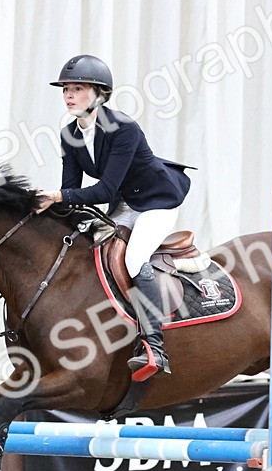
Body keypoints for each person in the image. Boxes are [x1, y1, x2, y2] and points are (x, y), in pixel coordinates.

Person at [37, 54, 193, 381]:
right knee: (90, 248)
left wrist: (59, 196)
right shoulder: (69, 134)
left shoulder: (123, 128)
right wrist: (43, 206)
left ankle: (154, 347)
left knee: (135, 259)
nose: (68, 95)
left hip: (157, 201)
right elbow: (71, 189)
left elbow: (105, 190)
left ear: (100, 95)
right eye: (65, 89)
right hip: (125, 203)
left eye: (77, 88)